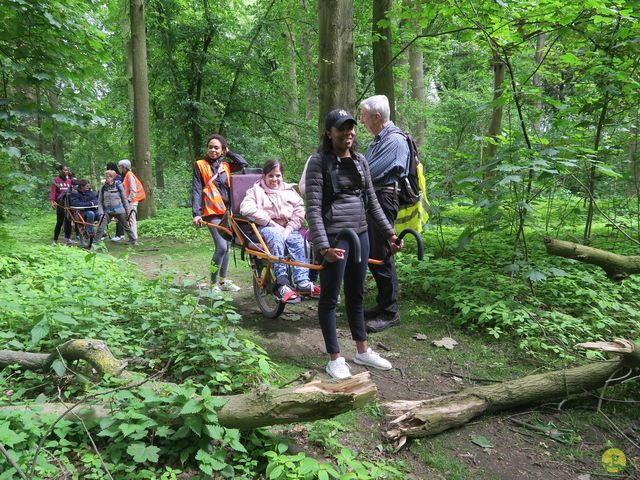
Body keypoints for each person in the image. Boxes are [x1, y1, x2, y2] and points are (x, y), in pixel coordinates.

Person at [305, 108, 403, 379]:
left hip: (360, 235)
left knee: (356, 294)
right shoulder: (318, 162)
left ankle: (362, 350)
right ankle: (334, 358)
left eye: (351, 127)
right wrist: (323, 247)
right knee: (329, 297)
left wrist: (389, 234)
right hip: (335, 238)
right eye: (341, 128)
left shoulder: (360, 161)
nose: (347, 133)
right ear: (329, 132)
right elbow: (312, 209)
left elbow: (372, 202)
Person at [359, 95, 409, 333]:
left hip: (384, 198)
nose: (361, 120)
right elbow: (363, 168)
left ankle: (390, 312)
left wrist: (353, 175)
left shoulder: (395, 140)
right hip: (373, 198)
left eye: (364, 116)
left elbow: (369, 171)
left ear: (377, 117)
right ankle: (382, 305)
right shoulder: (377, 141)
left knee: (381, 253)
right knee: (372, 252)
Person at [240, 159, 320, 303]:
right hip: (266, 228)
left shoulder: (290, 191)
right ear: (264, 176)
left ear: (282, 176)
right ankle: (282, 283)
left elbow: (299, 211)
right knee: (276, 236)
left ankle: (302, 282)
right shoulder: (255, 191)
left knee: (300, 242)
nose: (274, 179)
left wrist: (288, 229)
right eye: (271, 175)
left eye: (278, 175)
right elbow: (246, 209)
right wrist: (271, 222)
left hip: (289, 228)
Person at [192, 134, 248, 292]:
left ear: (222, 149)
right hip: (211, 212)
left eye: (216, 147)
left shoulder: (226, 166)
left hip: (227, 212)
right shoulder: (200, 165)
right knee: (221, 247)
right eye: (210, 147)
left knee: (227, 246)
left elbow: (243, 163)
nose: (212, 150)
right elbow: (196, 190)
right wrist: (196, 213)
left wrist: (228, 153)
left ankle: (223, 281)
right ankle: (212, 284)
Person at [93, 170, 137, 246]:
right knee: (100, 227)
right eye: (105, 176)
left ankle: (133, 240)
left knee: (126, 226)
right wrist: (101, 212)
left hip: (119, 210)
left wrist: (128, 212)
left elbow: (124, 200)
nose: (106, 178)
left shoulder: (119, 186)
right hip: (107, 212)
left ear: (113, 177)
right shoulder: (103, 187)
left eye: (108, 177)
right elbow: (100, 201)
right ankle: (95, 244)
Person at [118, 159, 146, 241]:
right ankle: (133, 237)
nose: (120, 169)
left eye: (120, 167)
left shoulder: (129, 175)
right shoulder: (128, 175)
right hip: (130, 201)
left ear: (123, 167)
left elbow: (133, 190)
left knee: (132, 220)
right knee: (130, 220)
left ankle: (134, 238)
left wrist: (128, 200)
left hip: (132, 202)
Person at [49, 164, 75, 245]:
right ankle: (55, 240)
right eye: (64, 170)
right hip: (60, 204)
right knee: (60, 221)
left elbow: (72, 191)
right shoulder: (55, 180)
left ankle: (67, 238)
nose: (66, 171)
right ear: (60, 171)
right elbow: (53, 191)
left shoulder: (69, 181)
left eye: (67, 170)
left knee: (69, 220)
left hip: (69, 203)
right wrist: (52, 201)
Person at [105, 162, 125, 241]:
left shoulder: (115, 177)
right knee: (119, 216)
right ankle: (120, 234)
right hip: (120, 198)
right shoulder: (120, 176)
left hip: (116, 199)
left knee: (118, 216)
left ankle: (119, 235)